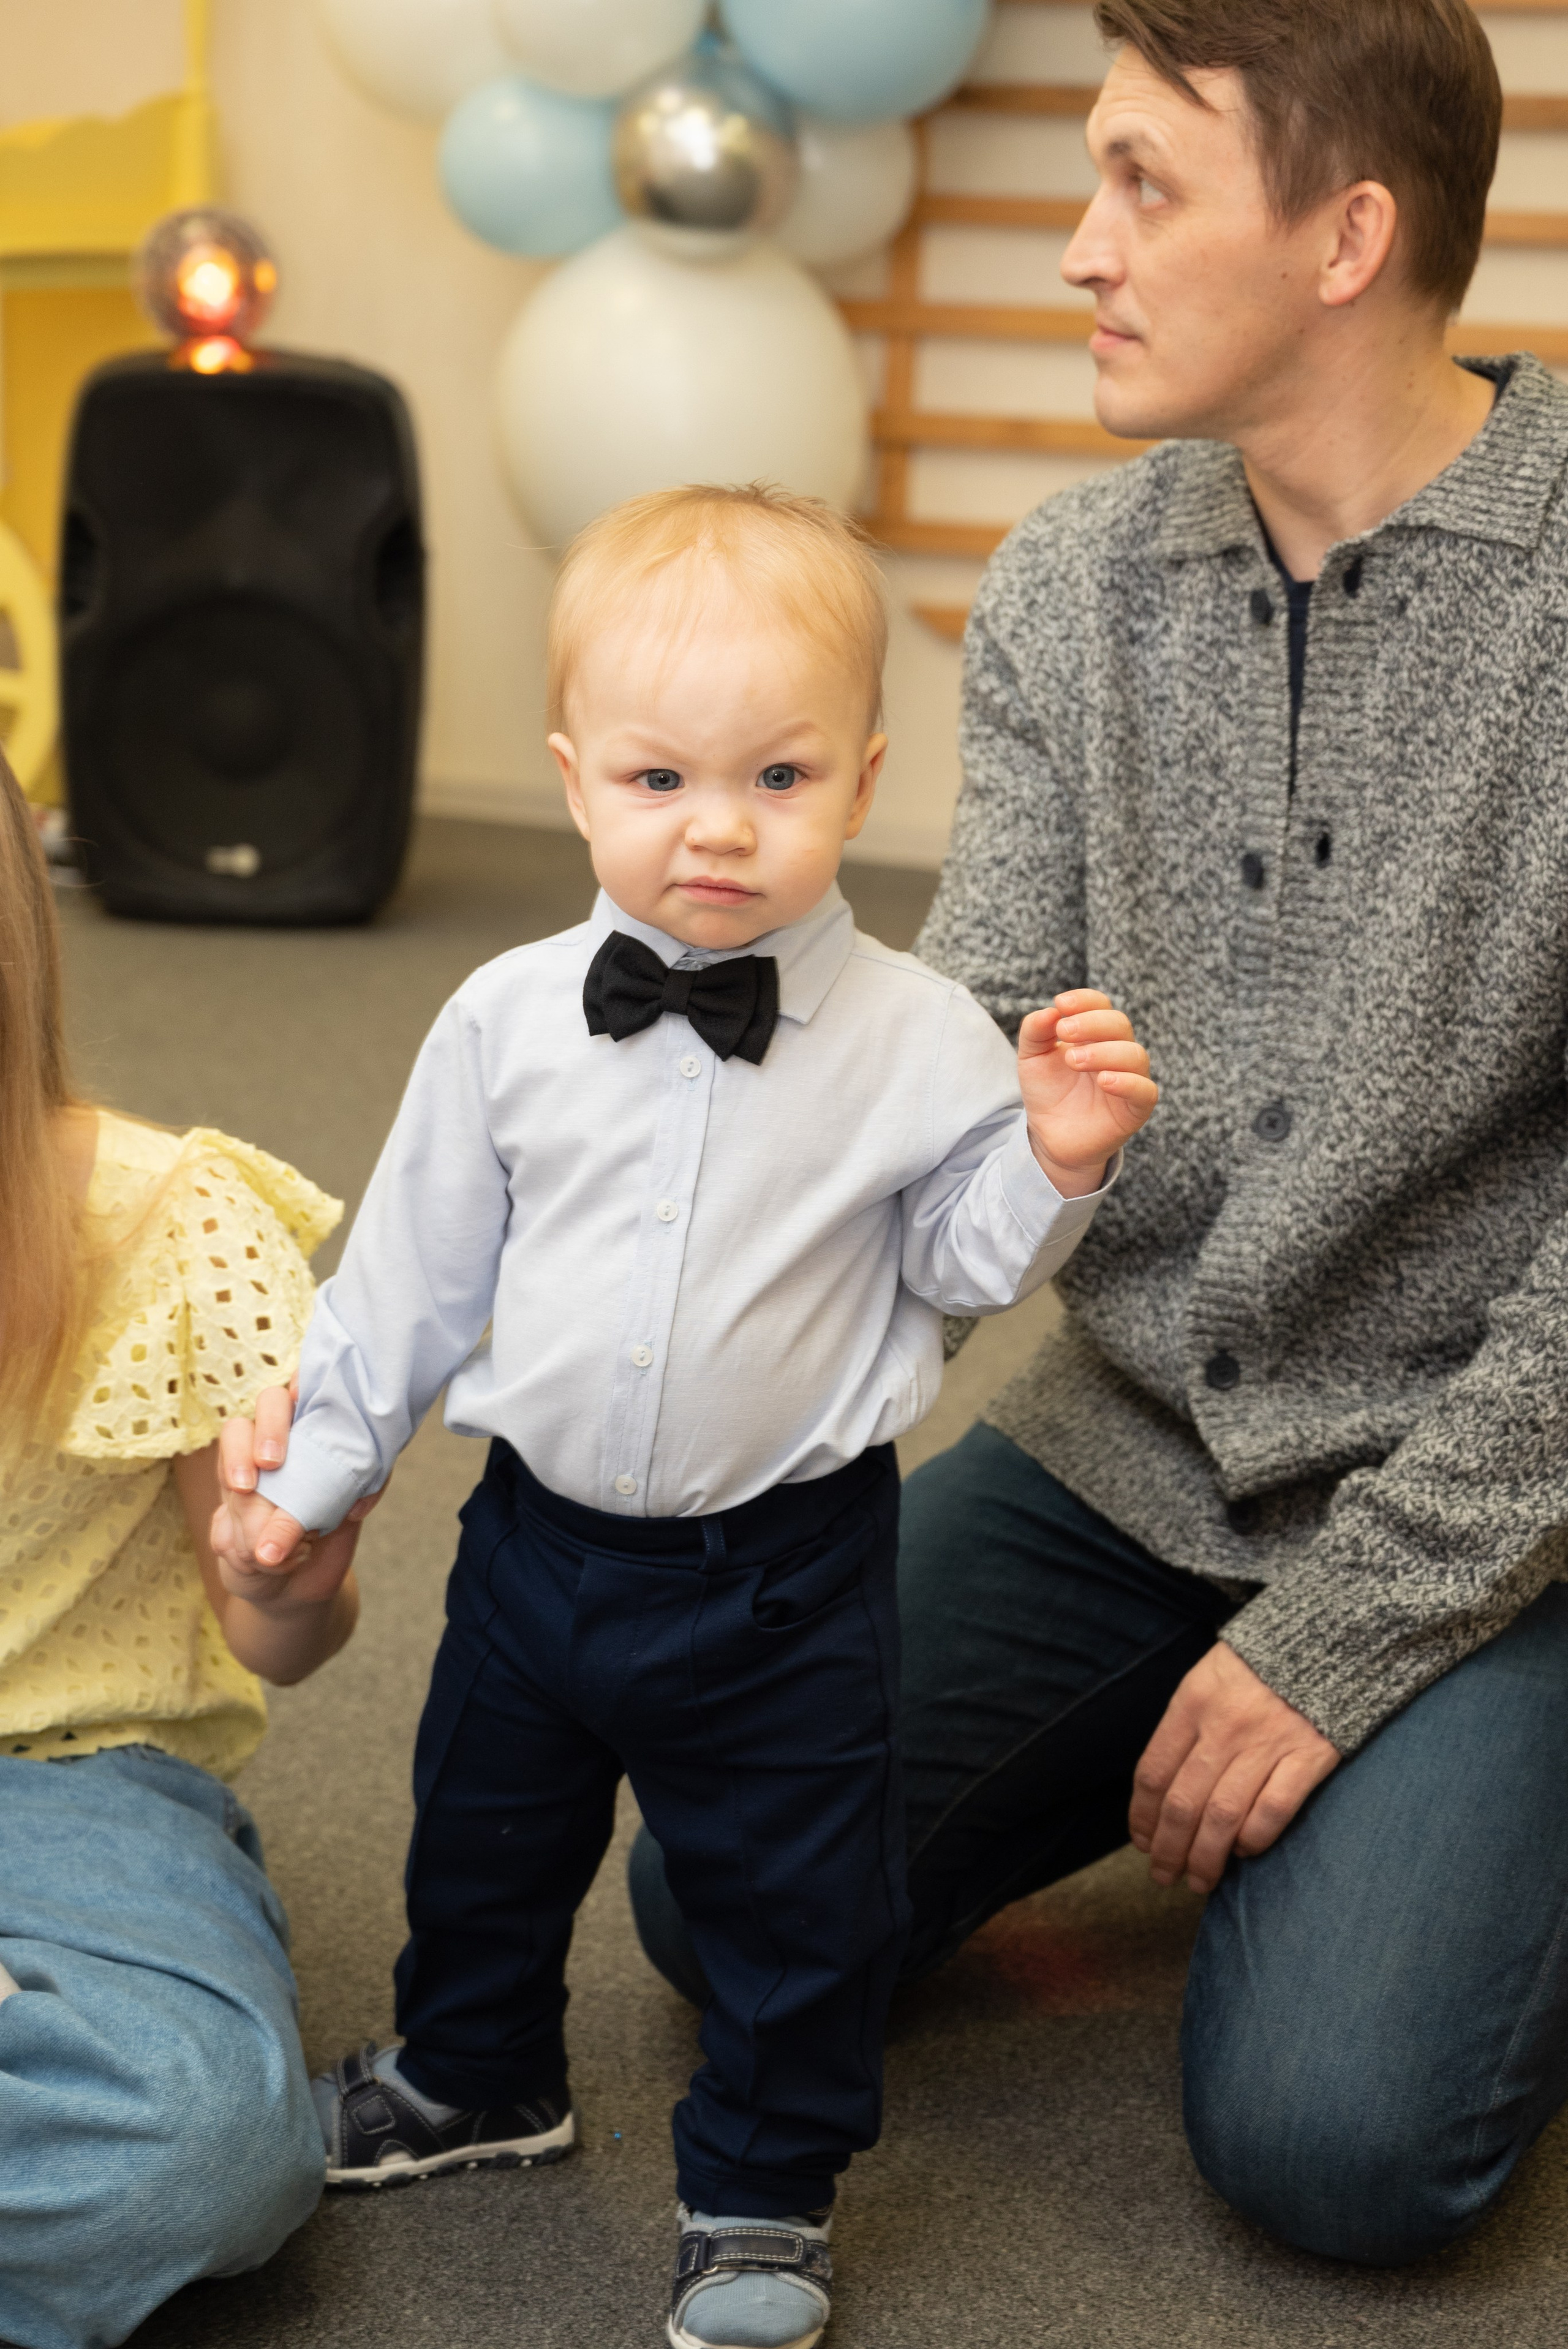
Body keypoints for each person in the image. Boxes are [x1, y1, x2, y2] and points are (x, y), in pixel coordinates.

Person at [627, 0, 1568, 2273]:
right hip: (1133, 1450)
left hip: (1499, 1491)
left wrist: (1346, 1639)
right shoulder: (1071, 580)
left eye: (1145, 183)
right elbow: (965, 1041)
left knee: (1335, 2139)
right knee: (706, 1889)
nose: (1077, 248)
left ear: (1348, 235)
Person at [213, 484, 1161, 2349]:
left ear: (865, 778)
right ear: (574, 781)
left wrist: (1054, 1160)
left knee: (796, 1890)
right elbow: (409, 1274)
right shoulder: (499, 1021)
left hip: (785, 1577)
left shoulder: (919, 1035)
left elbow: (957, 1268)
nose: (717, 827)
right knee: (477, 1830)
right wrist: (318, 1469)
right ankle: (478, 2067)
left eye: (780, 778)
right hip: (533, 1544)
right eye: (658, 780)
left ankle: (758, 2185)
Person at [0, 761, 374, 2349]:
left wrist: (288, 1582)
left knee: (203, 2143)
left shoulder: (173, 1225)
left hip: (75, 1775)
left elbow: (285, 1633)